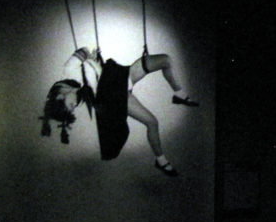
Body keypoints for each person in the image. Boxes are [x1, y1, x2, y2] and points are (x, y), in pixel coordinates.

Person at [40, 46, 199, 176]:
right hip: (118, 95)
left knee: (165, 60)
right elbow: (101, 98)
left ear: (60, 96)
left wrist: (90, 57)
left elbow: (84, 50)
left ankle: (179, 95)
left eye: (70, 105)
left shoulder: (69, 69)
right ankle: (161, 161)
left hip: (123, 75)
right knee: (152, 122)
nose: (75, 105)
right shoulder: (78, 93)